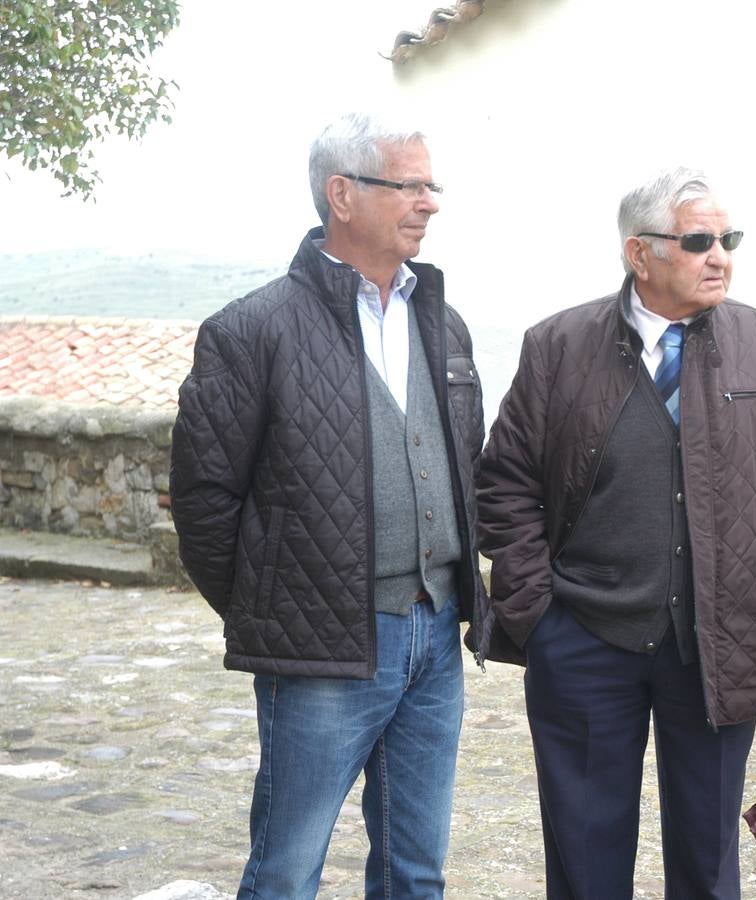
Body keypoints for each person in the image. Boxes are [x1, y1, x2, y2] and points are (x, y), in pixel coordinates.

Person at [475, 166, 756, 899]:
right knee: (586, 862)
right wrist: (538, 611)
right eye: (698, 241)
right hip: (584, 640)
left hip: (717, 646)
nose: (719, 255)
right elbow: (504, 482)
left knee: (707, 861)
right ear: (639, 254)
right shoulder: (558, 345)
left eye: (728, 239)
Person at [170, 113, 485, 898]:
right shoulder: (251, 330)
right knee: (285, 870)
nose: (429, 202)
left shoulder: (443, 325)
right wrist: (274, 608)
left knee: (416, 872)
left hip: (435, 636)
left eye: (430, 185)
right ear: (340, 195)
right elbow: (204, 500)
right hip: (317, 651)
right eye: (409, 185)